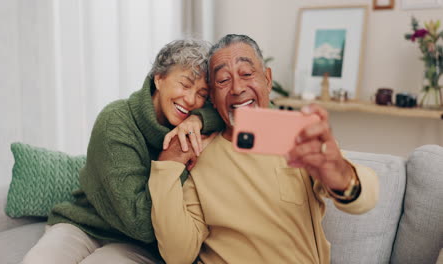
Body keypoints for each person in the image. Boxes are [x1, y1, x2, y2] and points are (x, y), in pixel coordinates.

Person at [149, 34, 379, 264]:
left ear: (267, 79)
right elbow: (178, 255)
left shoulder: (299, 138)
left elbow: (366, 199)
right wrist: (167, 166)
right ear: (212, 95)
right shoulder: (199, 153)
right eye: (222, 80)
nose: (237, 88)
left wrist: (340, 174)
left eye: (247, 74)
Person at [23, 39, 224, 264]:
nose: (190, 100)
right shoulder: (116, 122)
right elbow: (139, 221)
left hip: (137, 244)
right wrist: (175, 160)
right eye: (185, 84)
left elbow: (229, 113)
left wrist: (200, 118)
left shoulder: (195, 124)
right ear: (158, 78)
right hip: (86, 225)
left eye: (202, 94)